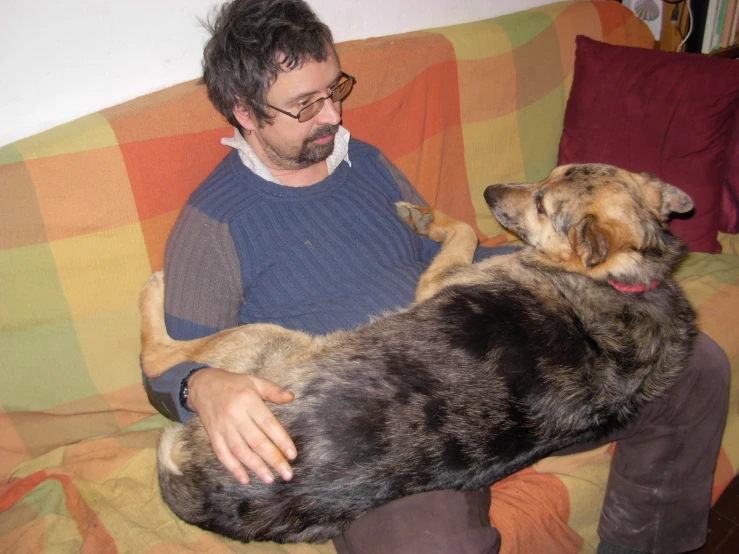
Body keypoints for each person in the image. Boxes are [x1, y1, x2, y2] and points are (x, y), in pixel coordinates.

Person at [141, 1, 730, 553]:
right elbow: (166, 365)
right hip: (382, 421)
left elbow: (442, 255)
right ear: (244, 112)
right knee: (433, 539)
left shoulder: (364, 161)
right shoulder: (213, 222)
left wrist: (566, 281)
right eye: (305, 104)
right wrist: (201, 388)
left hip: (485, 368)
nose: (334, 114)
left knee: (697, 367)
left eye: (334, 90)